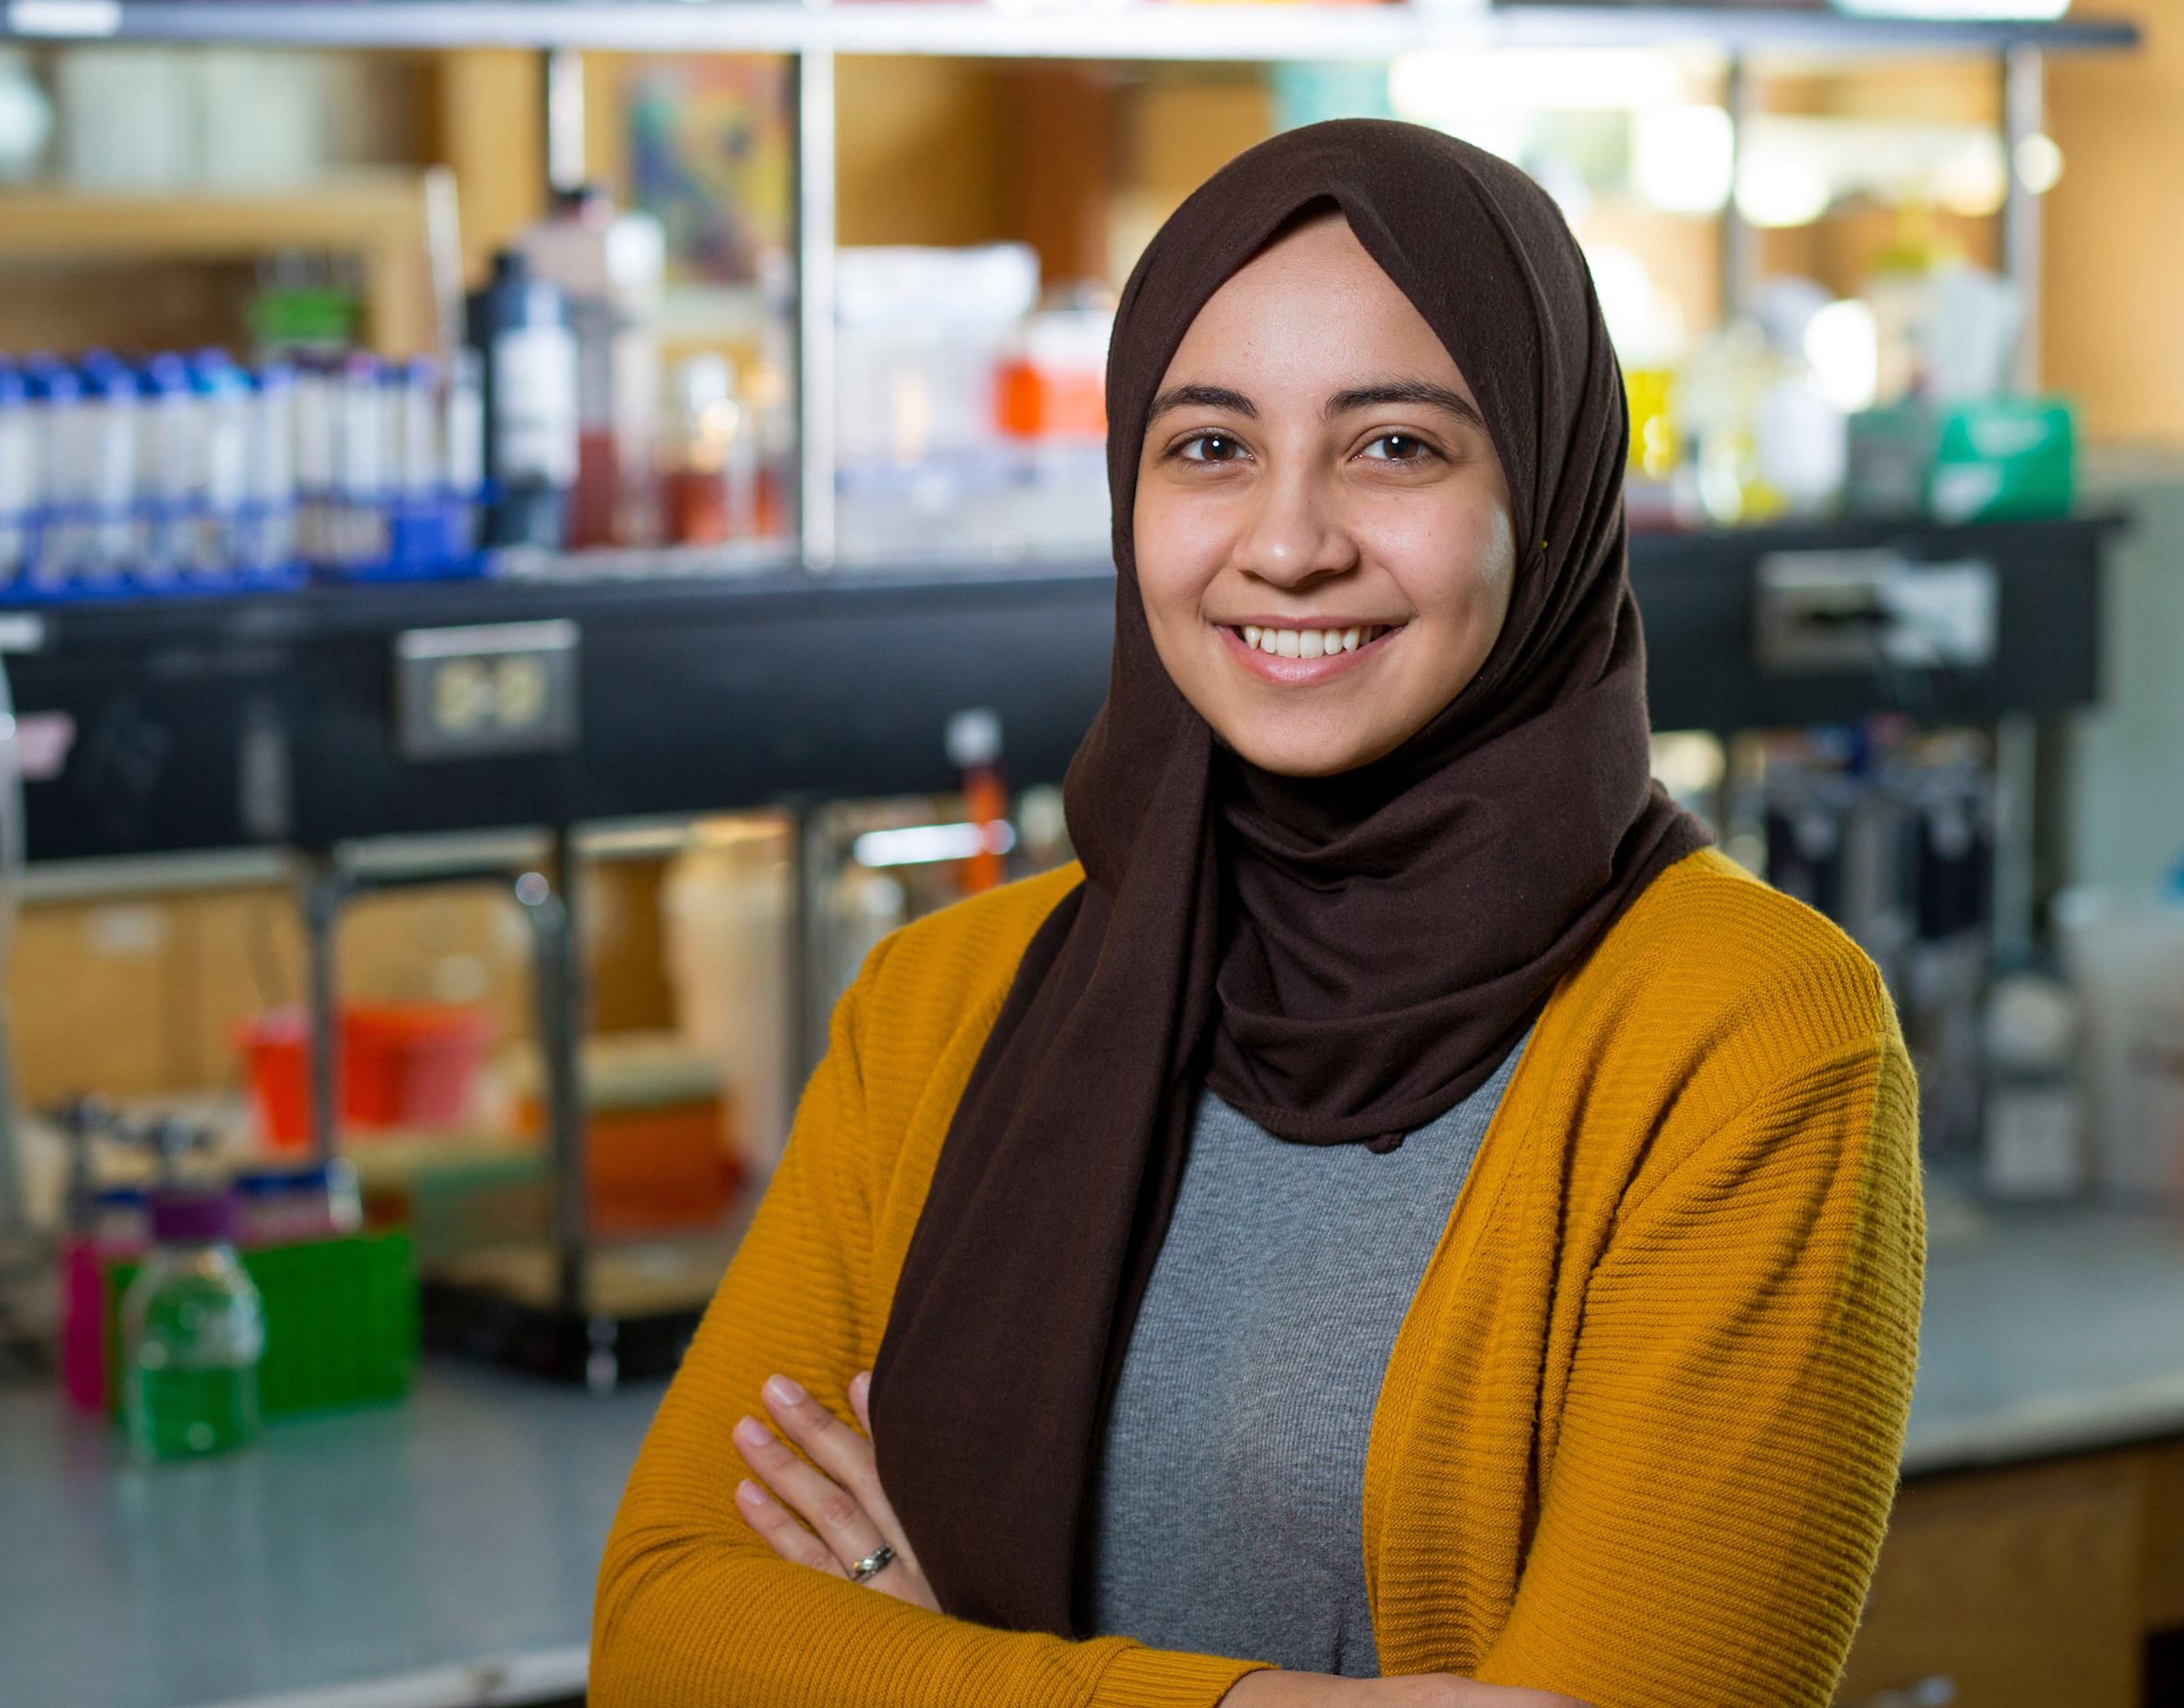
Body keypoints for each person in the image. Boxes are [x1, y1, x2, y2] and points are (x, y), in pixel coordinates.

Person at [592, 119, 1923, 1708]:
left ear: (1554, 496)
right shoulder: (942, 1004)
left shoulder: (1752, 1040)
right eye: (1210, 447)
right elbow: (664, 1639)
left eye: (1398, 446)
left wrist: (907, 1649)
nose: (1287, 546)